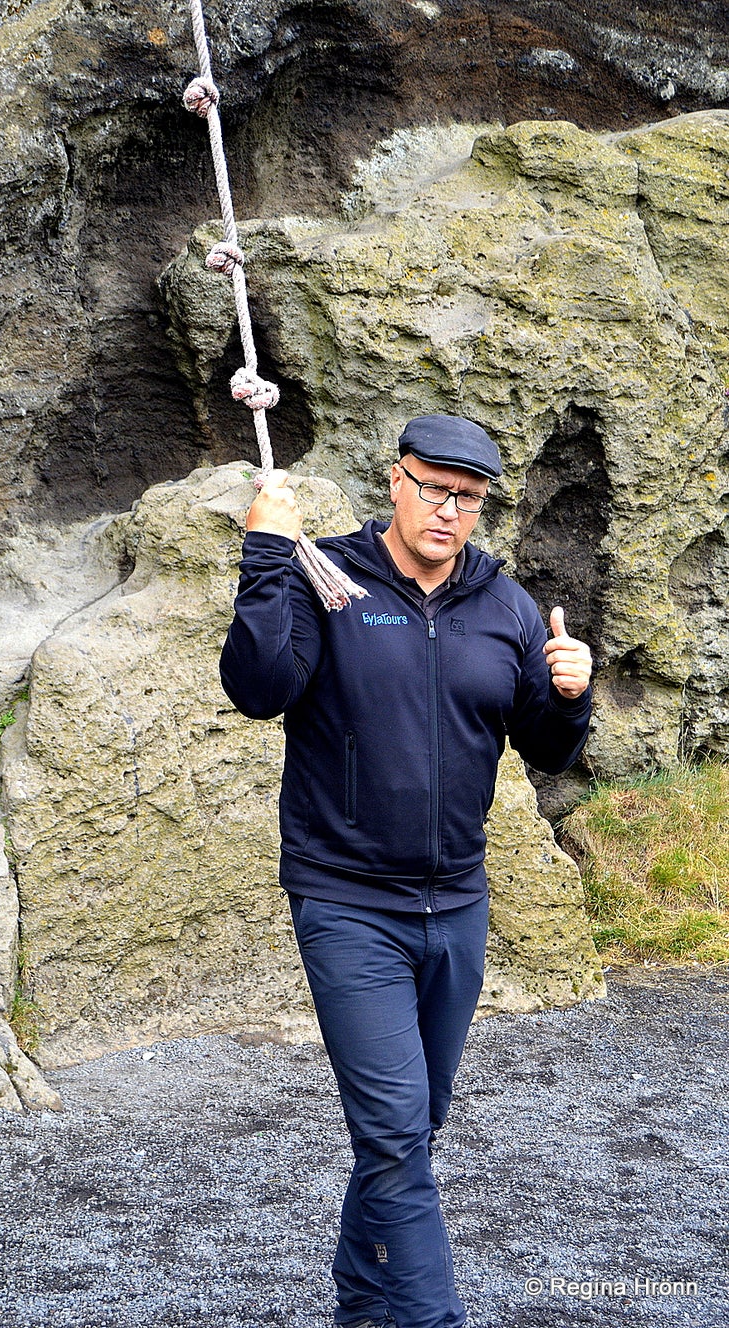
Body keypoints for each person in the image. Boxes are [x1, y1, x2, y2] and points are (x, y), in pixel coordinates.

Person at [219, 414, 593, 1328]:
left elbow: (543, 750)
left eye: (468, 498)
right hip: (346, 903)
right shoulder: (329, 579)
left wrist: (571, 693)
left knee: (407, 1134)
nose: (449, 511)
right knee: (392, 1133)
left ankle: (360, 1303)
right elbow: (256, 688)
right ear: (396, 481)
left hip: (457, 907)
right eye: (433, 489)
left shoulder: (503, 607)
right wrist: (267, 555)